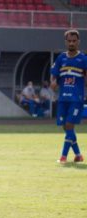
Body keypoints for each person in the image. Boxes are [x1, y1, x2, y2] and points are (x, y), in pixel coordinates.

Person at [51, 29, 87, 164]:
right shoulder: (61, 58)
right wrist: (53, 82)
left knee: (69, 125)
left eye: (74, 41)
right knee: (66, 128)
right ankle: (78, 155)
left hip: (76, 99)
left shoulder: (84, 59)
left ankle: (63, 157)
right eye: (69, 41)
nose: (71, 43)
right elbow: (54, 74)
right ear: (66, 42)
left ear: (78, 42)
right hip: (63, 99)